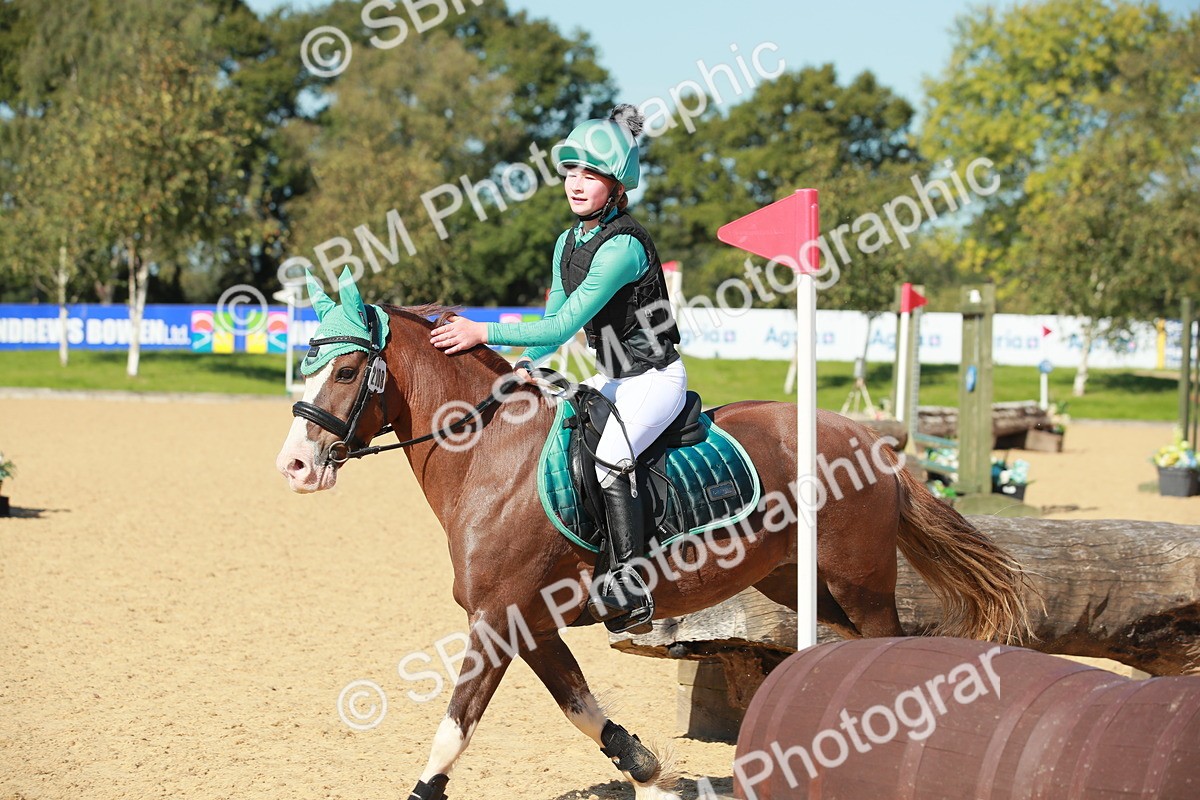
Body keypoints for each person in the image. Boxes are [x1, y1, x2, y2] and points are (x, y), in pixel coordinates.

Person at [430, 104, 685, 633]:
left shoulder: (623, 247)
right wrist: (525, 367)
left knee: (613, 454)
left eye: (590, 173)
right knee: (555, 433)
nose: (576, 182)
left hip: (655, 379)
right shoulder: (567, 243)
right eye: (571, 170)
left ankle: (630, 582)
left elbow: (560, 326)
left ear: (616, 186)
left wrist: (484, 332)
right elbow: (549, 324)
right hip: (613, 378)